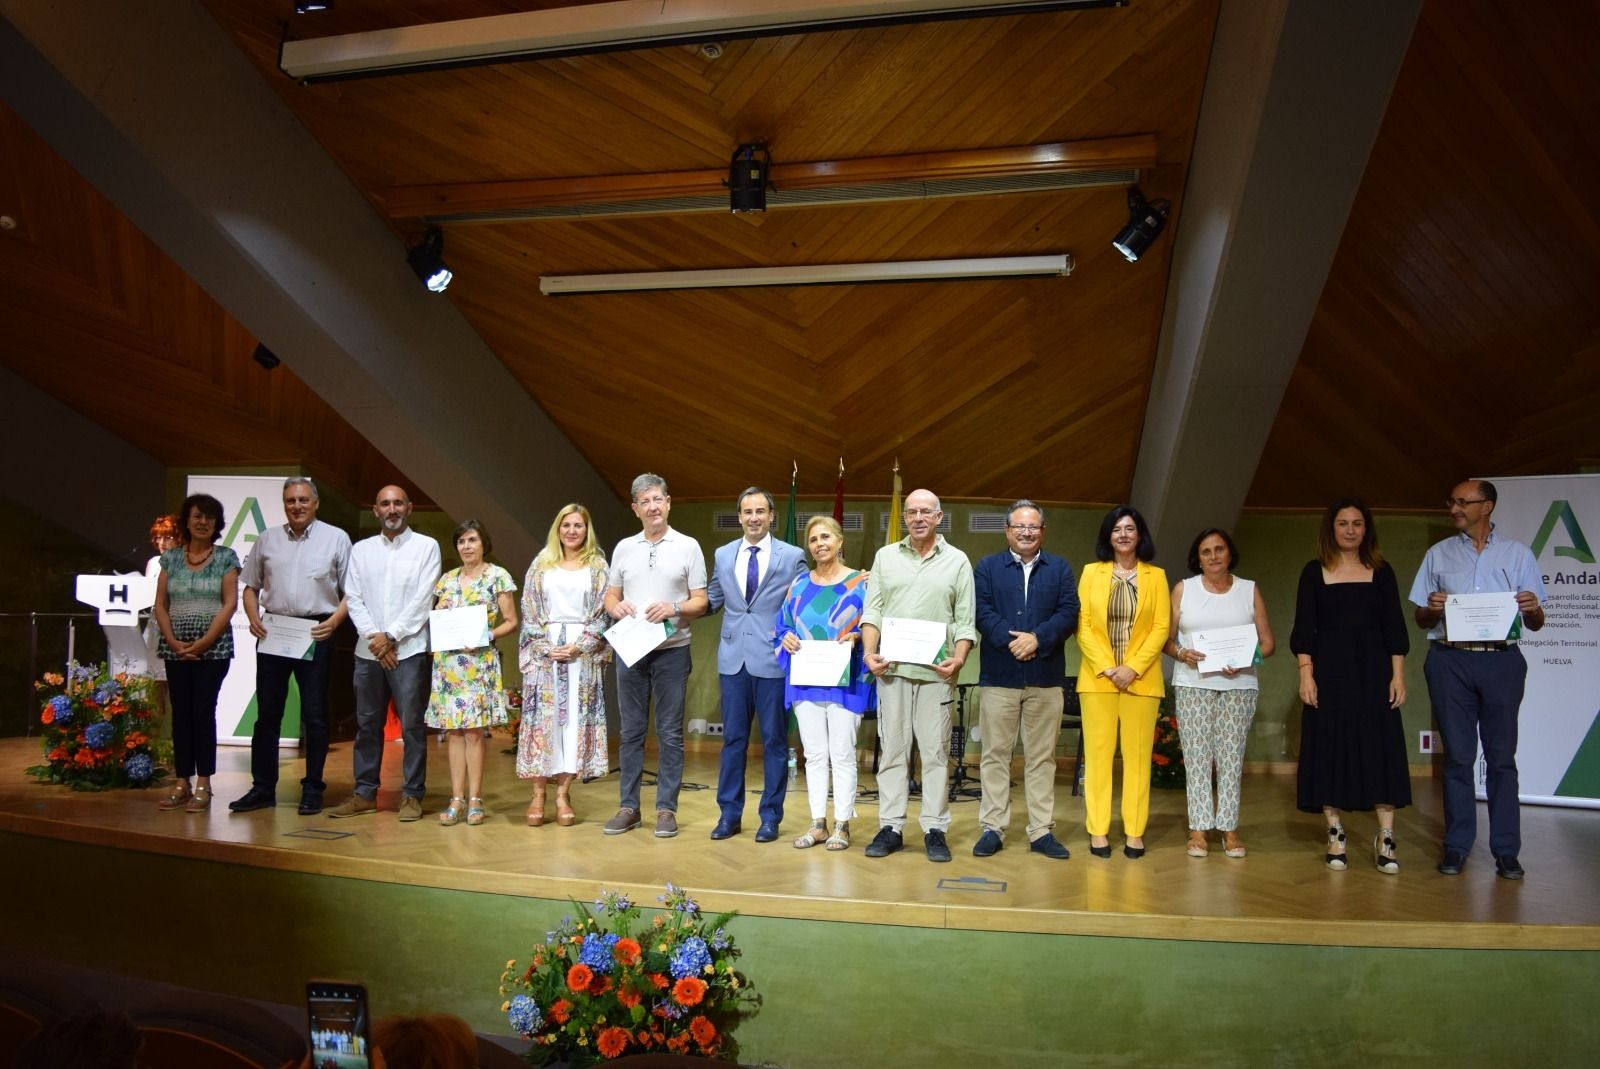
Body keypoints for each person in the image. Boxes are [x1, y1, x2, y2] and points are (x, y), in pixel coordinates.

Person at [1409, 479, 1545, 880]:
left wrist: (1533, 607)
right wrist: (1432, 608)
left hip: (1501, 662)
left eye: (1462, 502)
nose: (1454, 508)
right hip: (1450, 661)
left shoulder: (1518, 554)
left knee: (1502, 759)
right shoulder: (1438, 554)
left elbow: (1536, 624)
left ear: (1486, 506)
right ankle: (1457, 845)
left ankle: (1506, 850)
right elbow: (1421, 620)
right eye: (1451, 501)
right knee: (1458, 758)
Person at [1291, 498, 1410, 874]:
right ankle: (1335, 832)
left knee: (1380, 748)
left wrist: (1398, 675)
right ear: (1331, 528)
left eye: (1357, 523)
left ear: (1366, 529)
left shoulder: (1382, 571)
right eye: (1343, 523)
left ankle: (1386, 837)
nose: (1350, 530)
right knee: (1330, 748)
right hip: (1329, 677)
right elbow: (1303, 630)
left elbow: (1395, 628)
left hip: (1374, 675)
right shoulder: (1314, 572)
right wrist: (1306, 674)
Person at [860, 488, 978, 863]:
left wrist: (958, 660)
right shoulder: (885, 557)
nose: (918, 518)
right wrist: (868, 653)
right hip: (891, 671)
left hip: (936, 675)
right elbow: (872, 611)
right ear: (904, 518)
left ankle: (934, 828)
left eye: (925, 511)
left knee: (935, 753)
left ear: (939, 517)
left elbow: (966, 621)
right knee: (893, 751)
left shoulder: (958, 561)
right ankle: (892, 826)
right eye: (911, 512)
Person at [232, 476, 350, 815]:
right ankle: (262, 788)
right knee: (267, 715)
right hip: (274, 632)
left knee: (314, 715)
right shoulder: (268, 539)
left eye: (302, 500)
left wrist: (335, 621)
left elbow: (351, 591)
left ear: (315, 502)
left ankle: (313, 788)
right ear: (284, 504)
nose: (296, 506)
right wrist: (253, 616)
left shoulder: (336, 538)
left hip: (316, 633)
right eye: (290, 501)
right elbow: (250, 586)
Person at [971, 500, 1079, 860]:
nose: (1027, 532)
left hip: (1046, 679)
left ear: (1043, 531)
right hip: (999, 675)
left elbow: (1069, 612)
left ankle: (1040, 831)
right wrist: (1014, 641)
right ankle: (993, 828)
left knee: (1042, 758)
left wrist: (1038, 639)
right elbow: (981, 612)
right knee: (995, 756)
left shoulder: (1060, 569)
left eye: (1033, 527)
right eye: (1019, 526)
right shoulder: (987, 568)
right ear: (1007, 530)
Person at [601, 474, 708, 838]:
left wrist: (673, 607)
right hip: (631, 651)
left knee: (669, 734)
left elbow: (701, 601)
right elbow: (610, 598)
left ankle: (666, 810)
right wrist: (617, 609)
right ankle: (628, 807)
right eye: (645, 501)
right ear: (635, 508)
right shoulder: (623, 548)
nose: (653, 507)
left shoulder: (688, 546)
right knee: (630, 732)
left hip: (672, 652)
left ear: (668, 502)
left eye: (658, 499)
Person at [329, 485, 441, 822]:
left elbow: (424, 599)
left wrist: (391, 636)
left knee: (411, 726)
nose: (391, 509)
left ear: (409, 508)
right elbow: (354, 597)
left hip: (408, 650)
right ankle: (364, 794)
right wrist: (376, 639)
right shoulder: (361, 551)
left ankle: (412, 795)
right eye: (384, 504)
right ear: (376, 510)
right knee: (367, 725)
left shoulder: (426, 547)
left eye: (397, 503)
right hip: (368, 652)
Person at [1165, 528, 1276, 859]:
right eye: (1205, 551)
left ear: (1230, 553)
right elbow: (1166, 640)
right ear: (1197, 558)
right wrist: (1181, 653)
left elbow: (1268, 643)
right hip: (1192, 683)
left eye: (1219, 549)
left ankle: (1229, 828)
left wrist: (1246, 660)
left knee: (1231, 757)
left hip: (1239, 685)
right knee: (1197, 756)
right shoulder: (1183, 589)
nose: (1213, 556)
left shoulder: (1249, 590)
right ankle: (1198, 828)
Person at [706, 487, 808, 843]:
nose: (753, 518)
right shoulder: (722, 555)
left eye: (760, 511)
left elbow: (804, 603)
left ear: (771, 515)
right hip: (733, 659)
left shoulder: (792, 555)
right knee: (733, 741)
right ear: (739, 516)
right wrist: (672, 607)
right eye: (747, 511)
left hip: (774, 659)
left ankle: (770, 817)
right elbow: (713, 598)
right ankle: (728, 815)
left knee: (775, 742)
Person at [1076, 506, 1169, 860]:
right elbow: (1082, 623)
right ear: (1108, 536)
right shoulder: (1091, 573)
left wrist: (1132, 667)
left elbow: (1161, 627)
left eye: (1130, 528)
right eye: (1117, 529)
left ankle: (1134, 831)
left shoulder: (1156, 576)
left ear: (1140, 535)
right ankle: (1098, 831)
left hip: (1141, 682)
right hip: (1098, 680)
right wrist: (1108, 667)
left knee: (1137, 759)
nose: (1124, 534)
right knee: (1098, 759)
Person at [775, 515, 873, 850]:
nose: (820, 543)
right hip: (807, 680)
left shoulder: (861, 582)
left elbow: (875, 625)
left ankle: (842, 825)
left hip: (847, 680)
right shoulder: (799, 585)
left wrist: (859, 635)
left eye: (826, 537)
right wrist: (785, 638)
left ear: (840, 541)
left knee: (843, 753)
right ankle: (818, 823)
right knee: (815, 754)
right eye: (814, 539)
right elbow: (782, 626)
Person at [518, 503, 611, 827]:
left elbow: (604, 613)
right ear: (558, 529)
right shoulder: (541, 563)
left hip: (580, 655)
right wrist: (545, 647)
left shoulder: (598, 565)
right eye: (566, 525)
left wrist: (581, 645)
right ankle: (538, 793)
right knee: (545, 724)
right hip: (546, 654)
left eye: (578, 526)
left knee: (574, 723)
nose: (572, 531)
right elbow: (529, 611)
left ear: (587, 530)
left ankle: (563, 794)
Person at [152, 494, 240, 813]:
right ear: (186, 520)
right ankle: (181, 782)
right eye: (197, 516)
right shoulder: (171, 559)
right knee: (181, 715)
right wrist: (174, 642)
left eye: (209, 518)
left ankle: (204, 783)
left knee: (203, 713)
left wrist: (203, 642)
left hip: (213, 650)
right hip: (174, 649)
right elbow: (160, 604)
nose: (203, 522)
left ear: (216, 524)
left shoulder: (226, 557)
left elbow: (229, 603)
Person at [427, 519, 518, 827]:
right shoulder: (447, 579)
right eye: (462, 541)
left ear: (484, 544)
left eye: (472, 540)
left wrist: (487, 636)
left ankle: (476, 799)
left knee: (474, 733)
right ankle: (456, 799)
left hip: (479, 664)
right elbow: (439, 614)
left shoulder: (498, 576)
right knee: (453, 732)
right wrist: (439, 615)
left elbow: (510, 620)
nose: (466, 546)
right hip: (449, 665)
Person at [142, 514, 179, 703]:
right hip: (155, 628)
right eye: (158, 538)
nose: (162, 543)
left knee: (178, 686)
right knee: (155, 685)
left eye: (167, 537)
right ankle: (154, 730)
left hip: (177, 628)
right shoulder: (153, 562)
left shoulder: (185, 562)